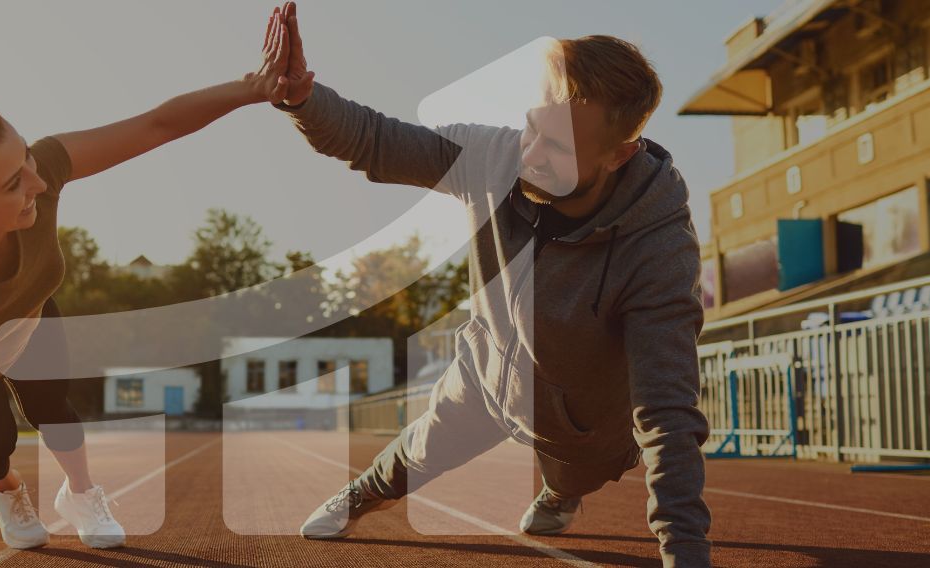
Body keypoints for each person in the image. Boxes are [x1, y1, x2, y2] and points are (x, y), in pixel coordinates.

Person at [0, 8, 299, 566]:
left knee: (56, 411)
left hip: (29, 320)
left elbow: (156, 124)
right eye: (12, 183)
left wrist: (254, 87)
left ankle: (80, 495)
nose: (37, 180)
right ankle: (8, 493)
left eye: (26, 156)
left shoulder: (43, 173)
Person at [267, 4, 711, 567]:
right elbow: (376, 141)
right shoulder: (493, 156)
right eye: (533, 128)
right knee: (413, 454)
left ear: (620, 154)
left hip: (584, 421)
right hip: (484, 377)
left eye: (560, 148)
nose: (530, 155)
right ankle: (362, 493)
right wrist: (303, 98)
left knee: (580, 473)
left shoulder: (658, 248)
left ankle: (560, 491)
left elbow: (667, 408)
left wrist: (686, 549)